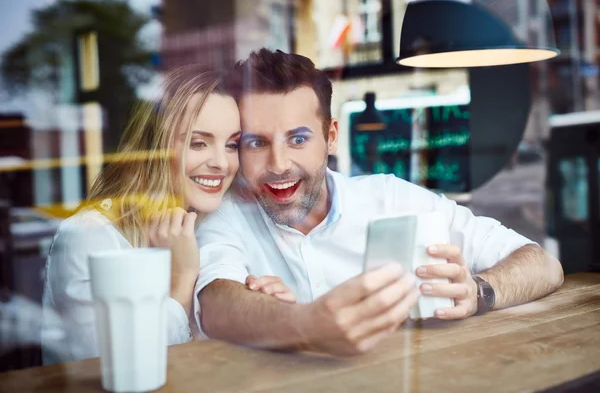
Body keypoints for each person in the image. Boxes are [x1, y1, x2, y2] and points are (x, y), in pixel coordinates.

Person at [193, 49, 564, 357]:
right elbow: (216, 305)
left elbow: (544, 265)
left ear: (331, 137)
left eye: (298, 139)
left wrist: (480, 292)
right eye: (257, 143)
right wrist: (309, 325)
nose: (278, 164)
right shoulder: (227, 215)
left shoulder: (390, 198)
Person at [41, 66, 295, 364]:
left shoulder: (215, 222)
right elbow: (110, 367)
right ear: (153, 147)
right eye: (198, 143)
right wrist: (182, 279)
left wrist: (257, 309)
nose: (222, 163)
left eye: (230, 145)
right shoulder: (88, 238)